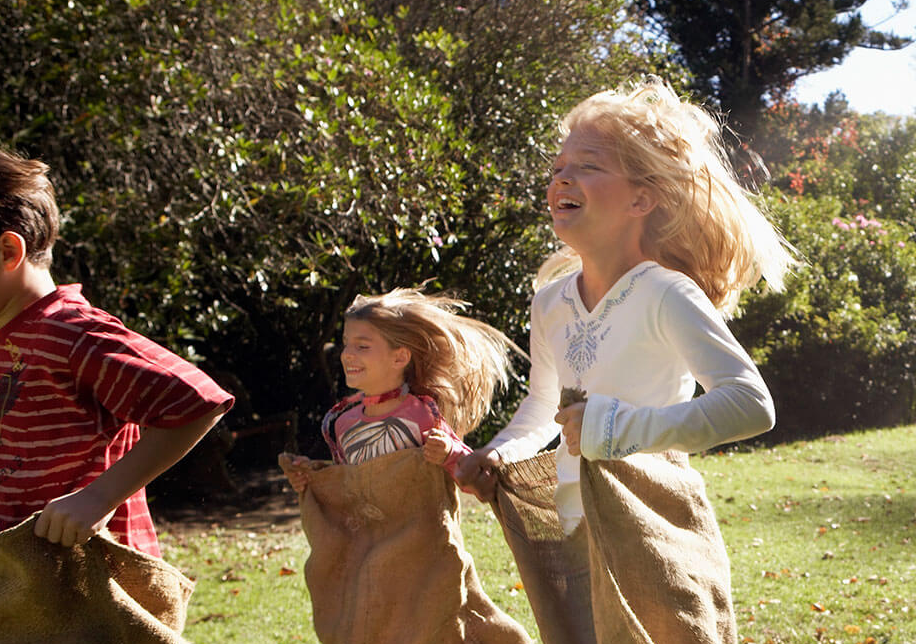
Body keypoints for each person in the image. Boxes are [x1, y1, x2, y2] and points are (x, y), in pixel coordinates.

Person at [455, 77, 794, 518]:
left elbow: (749, 404)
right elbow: (544, 405)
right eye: (557, 169)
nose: (562, 179)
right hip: (575, 525)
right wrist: (500, 452)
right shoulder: (550, 302)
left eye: (588, 166)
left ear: (641, 200)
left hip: (655, 523)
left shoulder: (665, 293)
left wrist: (618, 427)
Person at [0, 140, 234, 557]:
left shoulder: (69, 331)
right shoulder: (17, 333)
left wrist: (99, 497)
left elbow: (198, 401)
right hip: (45, 580)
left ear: (8, 251)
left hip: (99, 581)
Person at [284, 287, 519, 492]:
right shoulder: (344, 424)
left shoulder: (421, 415)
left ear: (399, 358)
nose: (346, 354)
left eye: (362, 346)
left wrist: (449, 453)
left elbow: (473, 481)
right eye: (346, 343)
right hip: (370, 532)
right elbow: (349, 491)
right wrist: (310, 478)